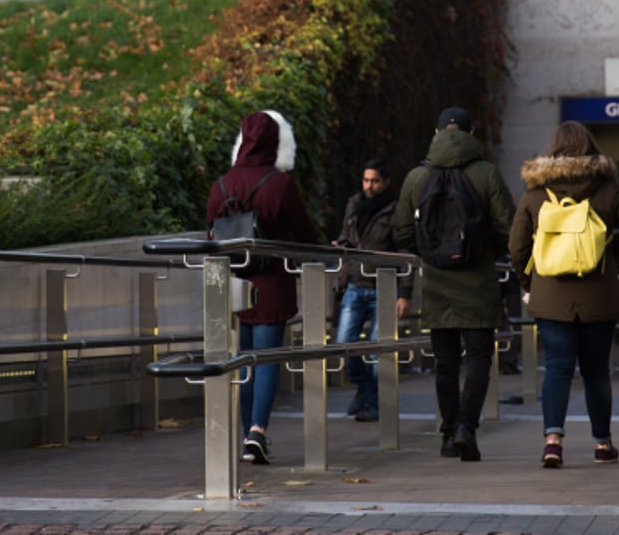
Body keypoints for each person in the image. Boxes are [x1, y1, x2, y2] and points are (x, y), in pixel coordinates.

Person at [507, 121, 619, 469]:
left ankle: (553, 442)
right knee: (596, 371)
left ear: (553, 148)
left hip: (550, 293)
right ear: (591, 147)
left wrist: (529, 282)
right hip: (598, 294)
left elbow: (516, 246)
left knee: (557, 367)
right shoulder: (607, 188)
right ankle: (603, 444)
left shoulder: (535, 191)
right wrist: (608, 246)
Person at [394, 106, 515, 462]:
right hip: (478, 280)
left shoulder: (416, 177)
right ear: (471, 134)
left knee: (445, 362)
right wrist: (483, 251)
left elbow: (401, 232)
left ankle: (448, 433)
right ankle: (467, 427)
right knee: (479, 356)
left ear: (436, 134)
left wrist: (431, 252)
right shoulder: (487, 173)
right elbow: (507, 228)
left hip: (436, 283)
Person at [205, 109, 320, 465]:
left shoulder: (221, 184)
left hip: (236, 281)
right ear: (274, 141)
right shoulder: (280, 184)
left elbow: (209, 231)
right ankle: (257, 431)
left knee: (245, 360)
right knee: (268, 358)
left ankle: (245, 437)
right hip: (272, 281)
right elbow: (304, 233)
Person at [332, 157, 413, 422]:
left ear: (386, 182)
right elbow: (347, 234)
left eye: (375, 181)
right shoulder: (354, 204)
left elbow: (405, 252)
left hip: (383, 288)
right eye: (366, 180)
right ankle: (364, 388)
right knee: (344, 343)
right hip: (355, 284)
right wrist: (340, 244)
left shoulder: (396, 210)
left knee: (379, 351)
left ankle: (375, 404)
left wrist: (405, 293)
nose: (369, 185)